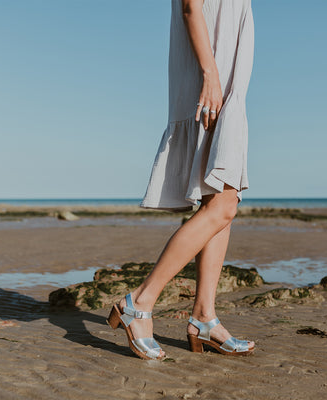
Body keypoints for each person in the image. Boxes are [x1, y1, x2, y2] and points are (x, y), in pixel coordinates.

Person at [107, 0, 255, 360]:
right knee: (222, 204)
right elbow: (191, 6)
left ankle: (204, 318)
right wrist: (211, 74)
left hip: (225, 83)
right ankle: (139, 303)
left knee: (222, 200)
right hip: (211, 80)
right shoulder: (211, 78)